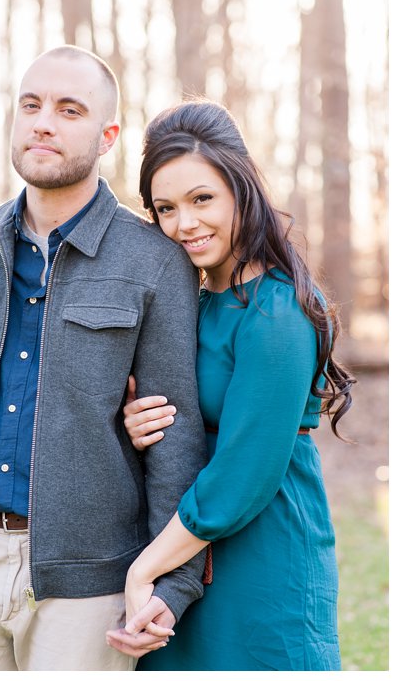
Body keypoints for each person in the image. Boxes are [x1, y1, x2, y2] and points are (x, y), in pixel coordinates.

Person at [0, 45, 208, 671]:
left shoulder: (154, 260)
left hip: (92, 585)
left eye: (70, 110)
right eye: (31, 105)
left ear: (107, 136)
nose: (44, 121)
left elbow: (175, 435)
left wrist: (171, 585)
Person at [105, 100, 354, 670]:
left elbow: (246, 472)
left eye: (201, 199)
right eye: (165, 208)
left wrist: (145, 569)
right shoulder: (183, 305)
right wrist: (140, 427)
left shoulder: (277, 311)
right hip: (185, 560)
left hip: (262, 560)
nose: (184, 224)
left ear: (242, 189)